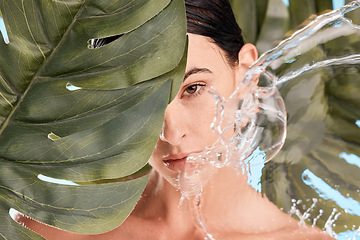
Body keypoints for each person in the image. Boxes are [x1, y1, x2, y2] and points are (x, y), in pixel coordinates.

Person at [16, 0, 334, 239]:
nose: (172, 132)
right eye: (142, 99)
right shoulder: (50, 230)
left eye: (193, 88)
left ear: (247, 73)